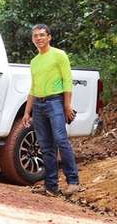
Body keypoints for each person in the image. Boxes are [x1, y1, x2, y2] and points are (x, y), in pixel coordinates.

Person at [21, 24, 80, 196]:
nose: (38, 38)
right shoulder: (34, 61)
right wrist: (27, 112)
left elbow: (67, 81)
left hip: (55, 101)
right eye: (35, 36)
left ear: (49, 37)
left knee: (61, 140)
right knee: (46, 147)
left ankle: (73, 182)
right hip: (38, 105)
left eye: (41, 35)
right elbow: (33, 88)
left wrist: (67, 105)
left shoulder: (59, 55)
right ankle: (51, 186)